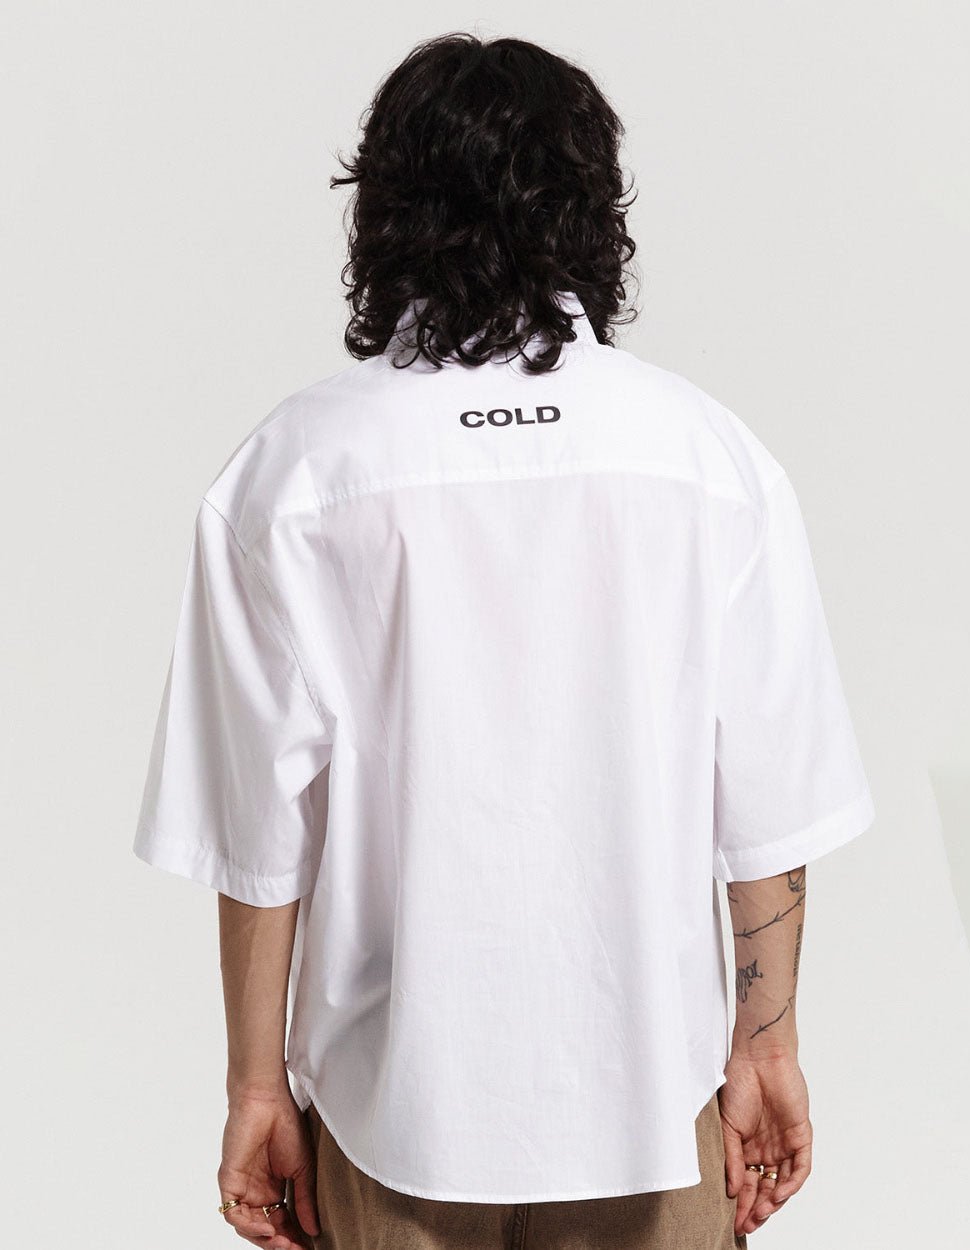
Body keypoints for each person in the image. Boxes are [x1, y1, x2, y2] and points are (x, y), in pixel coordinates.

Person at [132, 31, 876, 1250]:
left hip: (390, 1119)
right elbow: (768, 810)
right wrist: (768, 1046)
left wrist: (256, 1087)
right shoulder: (709, 463)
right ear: (592, 211)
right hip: (653, 1106)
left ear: (383, 213)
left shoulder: (294, 473)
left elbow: (261, 840)